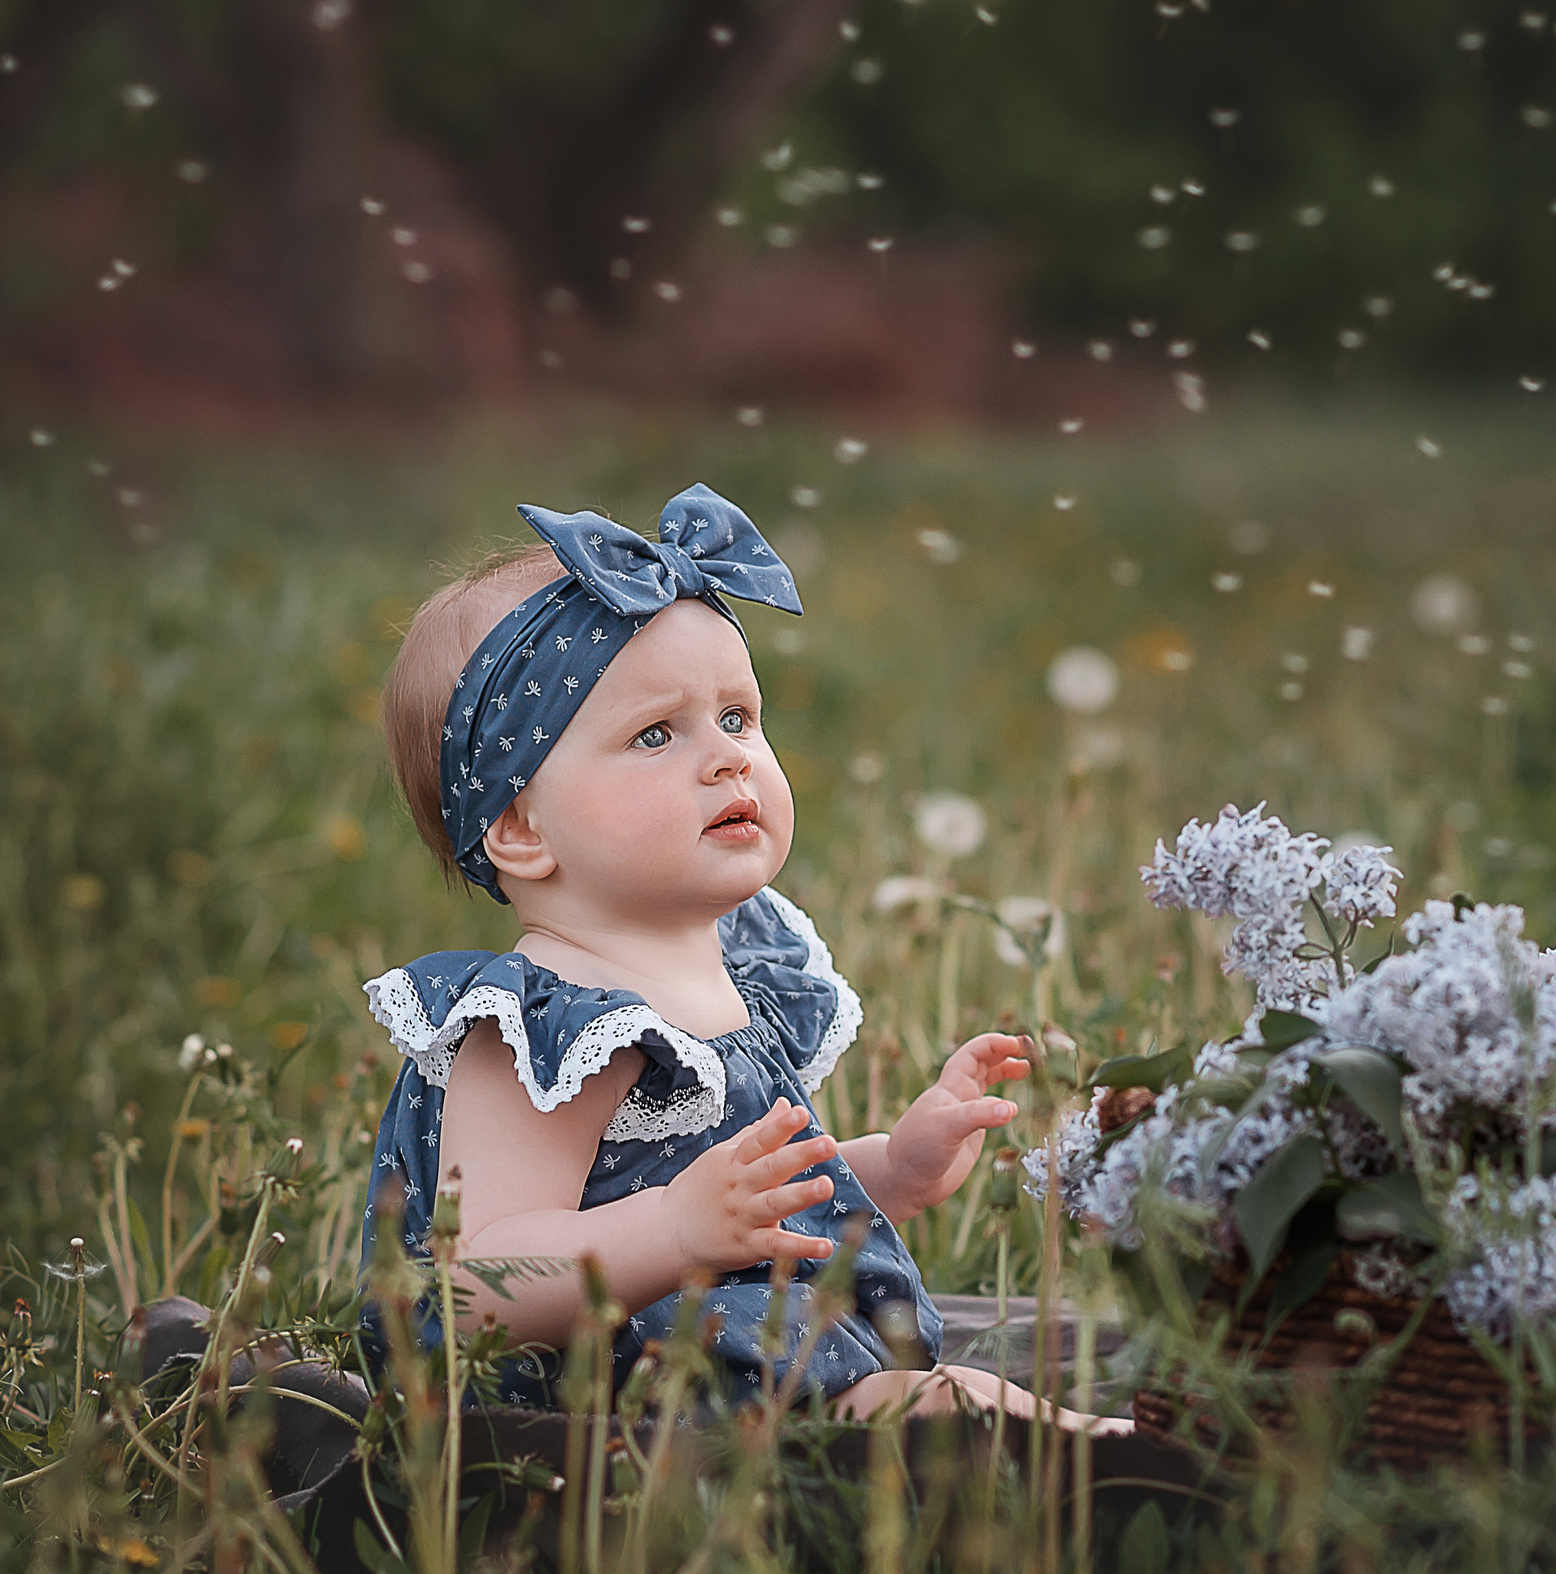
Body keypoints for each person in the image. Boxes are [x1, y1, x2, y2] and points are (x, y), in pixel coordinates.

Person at [360, 485, 1123, 1433]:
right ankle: (1104, 1465)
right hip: (611, 1404)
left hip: (753, 1345)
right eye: (654, 733)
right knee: (937, 1408)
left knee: (926, 1399)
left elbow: (752, 1199)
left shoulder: (738, 965)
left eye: (737, 717)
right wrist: (673, 1231)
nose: (728, 759)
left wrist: (892, 1165)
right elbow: (480, 1282)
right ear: (520, 827)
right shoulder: (538, 1025)